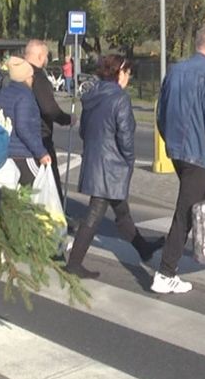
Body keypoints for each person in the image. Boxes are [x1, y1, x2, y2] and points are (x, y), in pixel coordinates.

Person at [65, 54, 164, 279]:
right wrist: (129, 159)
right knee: (95, 213)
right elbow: (125, 136)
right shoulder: (120, 98)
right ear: (119, 72)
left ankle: (143, 248)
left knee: (121, 211)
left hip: (96, 160)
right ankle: (74, 263)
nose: (129, 77)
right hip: (112, 165)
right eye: (127, 72)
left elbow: (84, 131)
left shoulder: (91, 95)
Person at [154, 27, 205, 295]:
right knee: (186, 212)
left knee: (203, 202)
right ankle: (166, 272)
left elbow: (161, 113)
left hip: (178, 151)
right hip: (199, 154)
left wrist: (170, 142)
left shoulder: (175, 71)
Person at [24, 40, 73, 204]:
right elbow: (48, 109)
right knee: (50, 183)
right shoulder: (39, 78)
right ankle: (57, 218)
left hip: (18, 140)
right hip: (41, 139)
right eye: (46, 56)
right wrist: (67, 119)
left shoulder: (16, 75)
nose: (47, 59)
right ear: (40, 56)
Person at [0, 56, 51, 186]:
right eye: (31, 77)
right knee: (36, 192)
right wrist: (41, 153)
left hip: (5, 153)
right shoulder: (25, 96)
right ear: (26, 78)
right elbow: (23, 128)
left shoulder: (0, 94)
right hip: (23, 154)